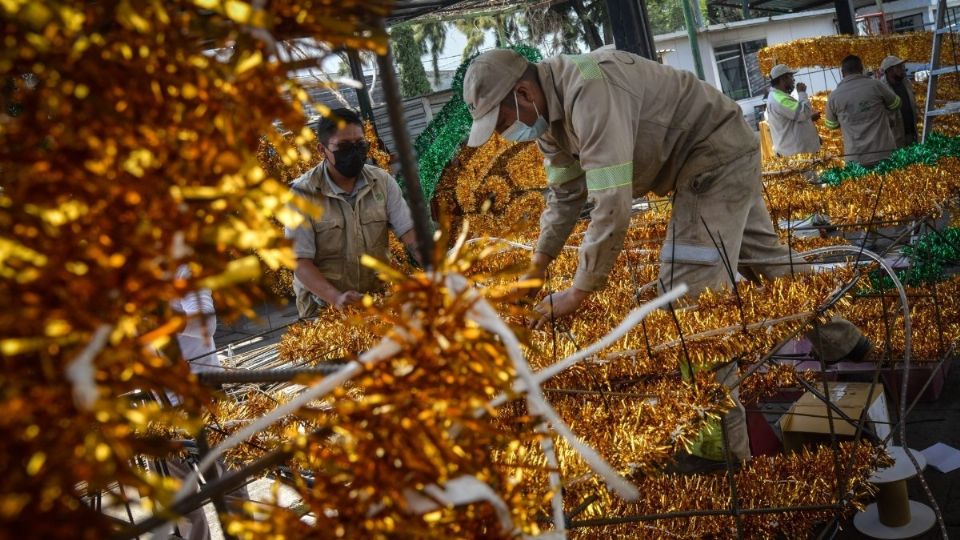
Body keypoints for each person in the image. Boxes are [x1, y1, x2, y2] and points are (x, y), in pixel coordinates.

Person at [463, 48, 869, 464]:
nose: (504, 134)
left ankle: (723, 456)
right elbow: (566, 196)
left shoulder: (589, 90)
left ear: (523, 93)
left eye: (504, 122)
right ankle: (847, 341)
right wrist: (536, 268)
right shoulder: (550, 124)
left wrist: (578, 292)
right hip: (714, 155)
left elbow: (612, 203)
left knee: (687, 298)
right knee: (765, 261)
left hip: (712, 155)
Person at [286, 108, 419, 318]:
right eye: (344, 147)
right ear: (322, 150)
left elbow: (410, 233)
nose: (354, 152)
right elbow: (300, 263)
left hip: (374, 301)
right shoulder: (303, 195)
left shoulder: (382, 182)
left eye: (360, 145)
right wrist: (336, 298)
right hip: (323, 310)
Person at [825, 55, 901, 166]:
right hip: (884, 154)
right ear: (861, 68)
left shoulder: (834, 97)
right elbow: (896, 104)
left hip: (855, 159)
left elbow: (831, 125)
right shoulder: (875, 85)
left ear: (842, 72)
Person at [765, 64, 821, 157]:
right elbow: (804, 113)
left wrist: (809, 119)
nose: (793, 80)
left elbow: (793, 120)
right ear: (783, 79)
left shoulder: (778, 97)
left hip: (798, 152)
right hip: (797, 155)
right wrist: (802, 92)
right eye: (791, 77)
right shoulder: (780, 99)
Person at [880, 55, 919, 148]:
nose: (903, 69)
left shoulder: (906, 82)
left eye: (902, 66)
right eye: (898, 67)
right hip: (895, 138)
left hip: (911, 133)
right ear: (889, 71)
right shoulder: (881, 88)